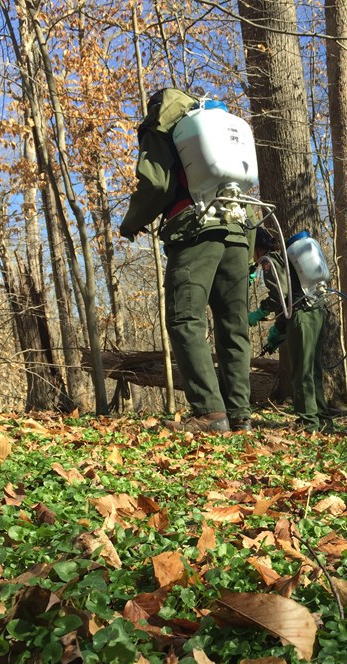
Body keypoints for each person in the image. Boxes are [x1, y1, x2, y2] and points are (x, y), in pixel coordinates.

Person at [120, 88, 253, 433]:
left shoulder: (167, 126)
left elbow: (156, 184)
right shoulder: (218, 124)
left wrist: (132, 222)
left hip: (195, 231)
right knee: (233, 325)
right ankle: (240, 415)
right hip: (238, 232)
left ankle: (210, 412)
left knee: (184, 319)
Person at [249, 227, 333, 432]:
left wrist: (260, 312)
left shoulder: (268, 261)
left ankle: (308, 422)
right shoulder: (282, 258)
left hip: (302, 317)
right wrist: (278, 330)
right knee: (313, 370)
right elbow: (291, 295)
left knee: (301, 372)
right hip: (316, 313)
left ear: (255, 247)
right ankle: (323, 421)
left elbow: (281, 295)